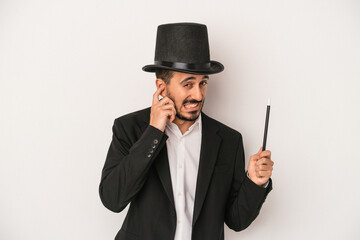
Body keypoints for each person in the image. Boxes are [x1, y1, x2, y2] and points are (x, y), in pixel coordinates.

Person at [99, 22, 274, 240]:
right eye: (188, 84)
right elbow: (112, 199)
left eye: (203, 83)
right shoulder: (129, 128)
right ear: (162, 88)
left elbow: (236, 220)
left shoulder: (228, 140)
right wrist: (153, 132)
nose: (199, 95)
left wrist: (256, 182)